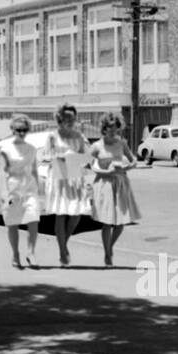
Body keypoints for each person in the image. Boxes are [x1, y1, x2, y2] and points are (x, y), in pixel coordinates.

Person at [42, 103, 91, 266]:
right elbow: (45, 157)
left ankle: (64, 244)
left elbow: (88, 157)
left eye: (73, 118)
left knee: (76, 214)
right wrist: (58, 157)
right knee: (61, 214)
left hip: (75, 178)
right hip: (59, 178)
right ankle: (63, 252)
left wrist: (76, 156)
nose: (71, 121)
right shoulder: (52, 137)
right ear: (60, 119)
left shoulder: (79, 137)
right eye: (67, 118)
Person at [89, 113, 141, 266]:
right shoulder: (97, 146)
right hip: (104, 184)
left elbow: (134, 161)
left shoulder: (122, 144)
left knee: (120, 222)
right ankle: (107, 255)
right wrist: (105, 171)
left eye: (115, 129)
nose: (112, 132)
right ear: (103, 129)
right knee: (107, 222)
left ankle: (110, 247)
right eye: (109, 129)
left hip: (120, 183)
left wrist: (128, 166)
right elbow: (90, 165)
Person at [0, 114, 42, 269]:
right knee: (13, 224)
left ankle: (31, 252)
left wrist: (39, 190)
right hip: (12, 187)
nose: (21, 132)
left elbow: (34, 170)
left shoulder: (32, 149)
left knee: (33, 219)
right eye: (18, 129)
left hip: (29, 187)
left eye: (24, 130)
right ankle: (15, 254)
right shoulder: (5, 149)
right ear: (12, 130)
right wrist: (4, 194)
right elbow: (3, 172)